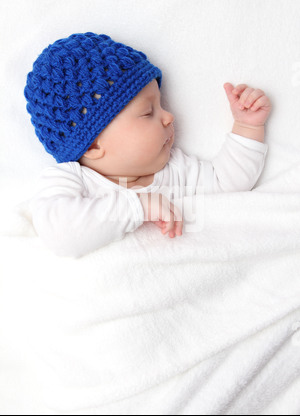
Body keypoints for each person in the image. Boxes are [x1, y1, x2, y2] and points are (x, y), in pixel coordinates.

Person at [24, 32, 272, 258]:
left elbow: (228, 183)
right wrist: (138, 206)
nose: (169, 117)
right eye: (147, 112)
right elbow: (62, 234)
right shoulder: (71, 181)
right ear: (92, 146)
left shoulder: (175, 168)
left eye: (161, 105)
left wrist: (248, 127)